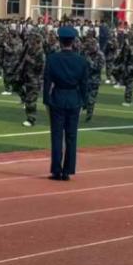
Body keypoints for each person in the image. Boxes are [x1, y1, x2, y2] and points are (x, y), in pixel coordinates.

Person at [43, 26, 89, 180]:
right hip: (74, 99)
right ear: (73, 41)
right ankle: (67, 170)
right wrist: (84, 103)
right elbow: (84, 84)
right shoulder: (81, 60)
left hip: (57, 98)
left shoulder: (52, 59)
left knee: (57, 136)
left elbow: (47, 82)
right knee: (71, 137)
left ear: (60, 41)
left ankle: (56, 170)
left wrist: (46, 101)